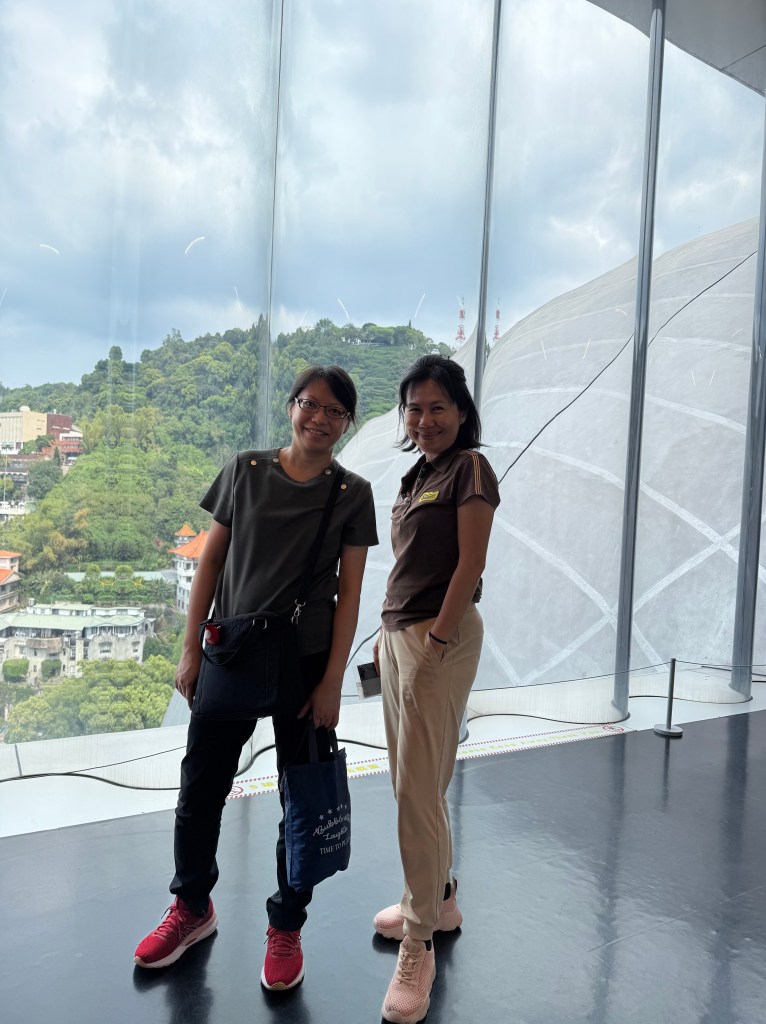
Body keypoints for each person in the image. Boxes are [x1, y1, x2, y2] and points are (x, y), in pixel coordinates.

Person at [134, 365, 378, 991]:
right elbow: (210, 559)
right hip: (232, 648)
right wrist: (190, 649)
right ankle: (192, 907)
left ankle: (287, 923)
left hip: (304, 663)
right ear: (291, 407)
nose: (319, 419)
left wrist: (331, 682)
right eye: (309, 404)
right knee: (200, 790)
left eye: (334, 411)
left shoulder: (353, 492)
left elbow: (350, 596)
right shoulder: (245, 471)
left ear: (346, 422)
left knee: (303, 796)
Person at [372, 355, 500, 1024]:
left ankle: (419, 940)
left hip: (437, 638)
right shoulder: (417, 473)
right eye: (414, 409)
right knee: (414, 782)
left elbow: (470, 562)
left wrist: (437, 644)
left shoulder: (469, 469)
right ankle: (440, 897)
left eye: (437, 407)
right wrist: (386, 634)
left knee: (415, 790)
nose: (424, 420)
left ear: (461, 411)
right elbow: (412, 565)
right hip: (402, 635)